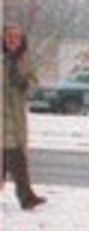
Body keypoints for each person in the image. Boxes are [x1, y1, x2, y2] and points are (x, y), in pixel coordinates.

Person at [3, 24, 46, 210]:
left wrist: (24, 83)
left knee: (12, 155)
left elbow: (34, 83)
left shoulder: (23, 61)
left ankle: (26, 196)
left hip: (15, 116)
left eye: (16, 38)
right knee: (15, 157)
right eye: (9, 37)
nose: (13, 41)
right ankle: (26, 197)